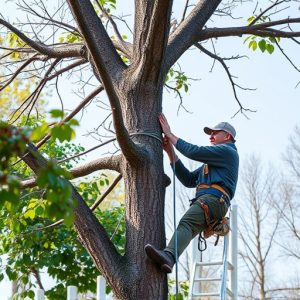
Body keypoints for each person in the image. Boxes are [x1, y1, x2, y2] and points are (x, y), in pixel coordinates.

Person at [144, 113, 239, 273]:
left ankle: (169, 256)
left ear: (227, 136)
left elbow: (193, 152)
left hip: (214, 200)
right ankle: (169, 260)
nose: (211, 136)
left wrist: (169, 134)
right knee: (187, 227)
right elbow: (188, 179)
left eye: (215, 133)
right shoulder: (214, 163)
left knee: (186, 224)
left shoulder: (227, 152)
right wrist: (170, 152)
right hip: (213, 202)